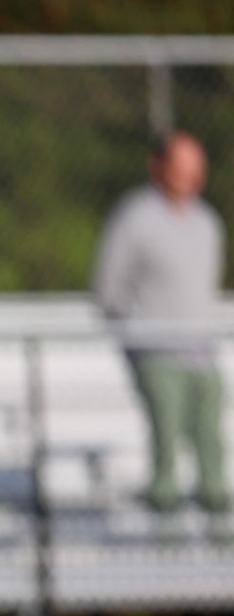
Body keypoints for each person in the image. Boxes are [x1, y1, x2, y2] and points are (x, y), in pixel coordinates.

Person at [93, 131, 228, 523]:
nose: (190, 176)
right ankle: (164, 545)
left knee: (212, 450)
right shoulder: (135, 217)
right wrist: (137, 334)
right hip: (157, 353)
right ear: (159, 167)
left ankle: (220, 545)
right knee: (167, 448)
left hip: (202, 352)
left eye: (195, 168)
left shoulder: (206, 222)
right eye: (181, 167)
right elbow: (108, 290)